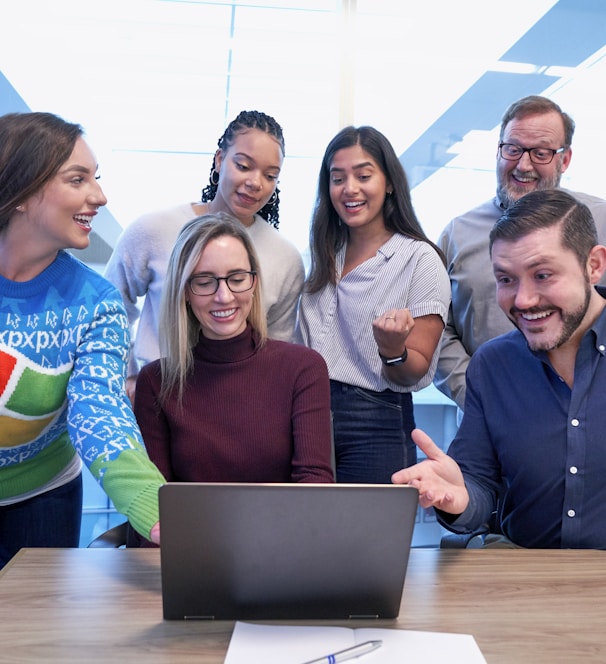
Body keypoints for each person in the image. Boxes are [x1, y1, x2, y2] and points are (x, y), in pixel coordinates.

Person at [393, 189, 606, 549]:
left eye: (542, 275)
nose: (522, 301)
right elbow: (478, 487)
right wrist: (458, 496)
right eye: (506, 279)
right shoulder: (492, 366)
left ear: (594, 265)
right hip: (521, 585)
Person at [0, 111, 164, 568]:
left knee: (29, 635)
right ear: (22, 189)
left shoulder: (97, 304)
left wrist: (153, 507)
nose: (99, 196)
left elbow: (100, 411)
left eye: (96, 178)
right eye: (78, 179)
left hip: (42, 498)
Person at [104, 110, 305, 402]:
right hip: (157, 398)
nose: (256, 182)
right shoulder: (153, 229)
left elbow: (276, 348)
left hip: (235, 405)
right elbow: (110, 305)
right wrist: (128, 374)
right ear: (220, 159)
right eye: (244, 165)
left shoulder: (285, 258)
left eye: (270, 175)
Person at [134, 212, 334, 489]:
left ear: (254, 283)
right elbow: (154, 503)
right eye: (204, 282)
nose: (223, 296)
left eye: (237, 279)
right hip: (191, 533)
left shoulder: (302, 368)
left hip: (284, 531)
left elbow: (315, 487)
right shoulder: (156, 382)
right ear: (185, 293)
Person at [296, 126, 450, 484]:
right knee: (301, 535)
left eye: (364, 175)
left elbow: (414, 372)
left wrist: (393, 350)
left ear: (389, 183)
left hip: (375, 420)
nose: (350, 188)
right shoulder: (320, 255)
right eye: (338, 178)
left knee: (367, 538)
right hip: (306, 413)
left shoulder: (419, 258)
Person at [435, 95, 606, 410]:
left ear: (565, 159)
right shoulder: (457, 235)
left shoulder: (601, 220)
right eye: (512, 149)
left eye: (540, 153)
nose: (523, 165)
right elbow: (435, 328)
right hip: (492, 425)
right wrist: (477, 390)